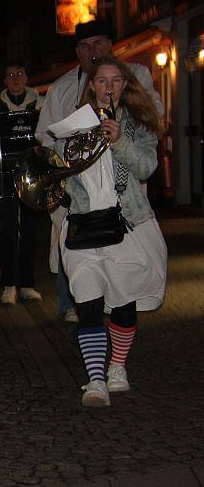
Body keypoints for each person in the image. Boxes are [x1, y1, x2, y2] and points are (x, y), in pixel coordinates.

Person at [53, 57, 166, 407]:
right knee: (88, 303)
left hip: (127, 222)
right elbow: (63, 176)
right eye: (102, 81)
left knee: (123, 301)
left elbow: (146, 167)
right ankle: (95, 380)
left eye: (116, 81)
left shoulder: (140, 122)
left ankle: (117, 367)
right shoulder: (75, 126)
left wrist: (120, 141)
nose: (109, 87)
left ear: (126, 85)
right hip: (84, 224)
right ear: (92, 85)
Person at [36, 19, 163, 323]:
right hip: (79, 196)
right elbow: (46, 137)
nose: (90, 50)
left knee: (123, 291)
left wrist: (122, 133)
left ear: (109, 45)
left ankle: (115, 351)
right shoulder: (62, 85)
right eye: (83, 45)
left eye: (97, 43)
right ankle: (74, 308)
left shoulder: (136, 74)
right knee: (81, 280)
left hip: (123, 197)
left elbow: (148, 120)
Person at [0, 60, 43, 303]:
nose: (15, 78)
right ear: (5, 80)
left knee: (32, 231)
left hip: (34, 177)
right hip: (4, 177)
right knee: (8, 231)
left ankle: (27, 283)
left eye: (20, 73)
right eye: (11, 75)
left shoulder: (41, 105)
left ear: (26, 77)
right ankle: (9, 284)